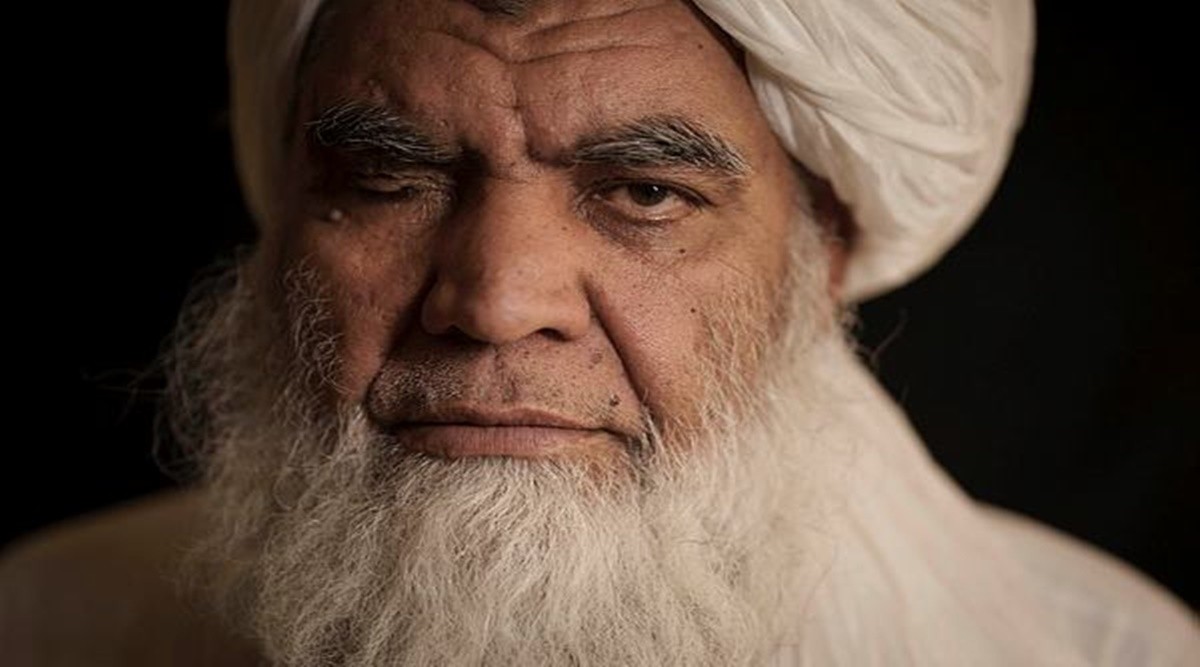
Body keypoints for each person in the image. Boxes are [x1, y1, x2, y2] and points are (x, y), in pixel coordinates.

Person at [1, 0, 1196, 665]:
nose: (495, 302)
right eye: (387, 179)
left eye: (645, 192)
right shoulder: (43, 625)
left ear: (821, 247)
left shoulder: (1113, 653)